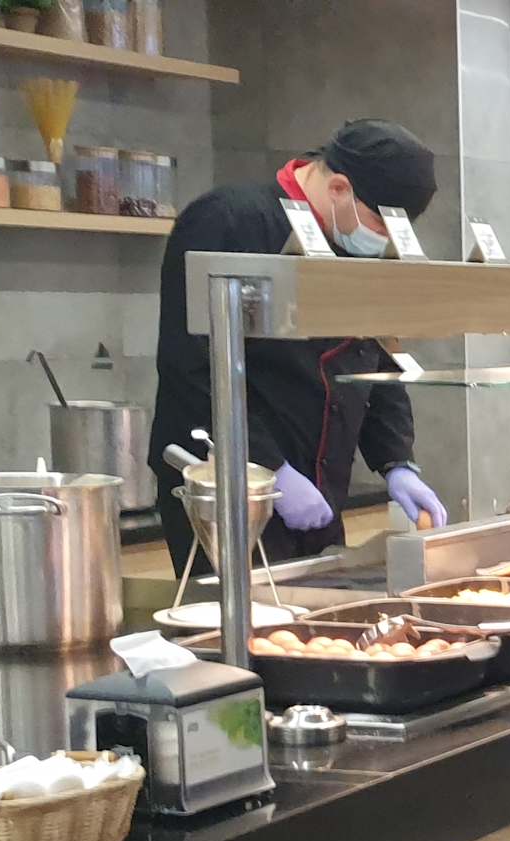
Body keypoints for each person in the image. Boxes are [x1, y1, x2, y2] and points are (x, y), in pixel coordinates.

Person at [148, 119, 447, 575]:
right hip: (228, 493)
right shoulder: (228, 219)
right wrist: (269, 469)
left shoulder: (350, 246)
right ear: (339, 188)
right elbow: (191, 368)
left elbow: (375, 358)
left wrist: (396, 461)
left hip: (319, 493)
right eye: (379, 225)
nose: (383, 240)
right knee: (245, 614)